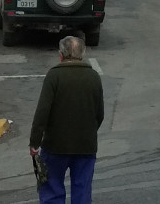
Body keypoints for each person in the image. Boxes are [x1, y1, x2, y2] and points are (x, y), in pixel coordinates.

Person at [29, 35, 104, 204]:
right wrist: (87, 132)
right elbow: (99, 114)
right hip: (86, 146)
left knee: (51, 189)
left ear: (60, 55)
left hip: (55, 146)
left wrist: (35, 142)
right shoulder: (94, 77)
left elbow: (42, 112)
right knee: (82, 190)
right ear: (82, 54)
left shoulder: (54, 76)